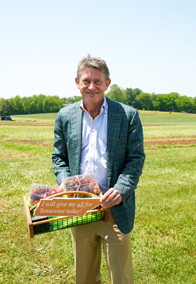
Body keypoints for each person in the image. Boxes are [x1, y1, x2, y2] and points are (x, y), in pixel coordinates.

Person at [52, 55, 145, 284]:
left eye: (98, 81)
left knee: (121, 277)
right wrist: (64, 180)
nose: (91, 86)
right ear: (77, 82)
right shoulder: (65, 116)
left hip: (114, 208)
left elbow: (135, 160)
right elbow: (59, 157)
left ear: (108, 83)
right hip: (80, 206)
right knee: (84, 277)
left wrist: (121, 190)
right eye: (86, 80)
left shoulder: (127, 115)